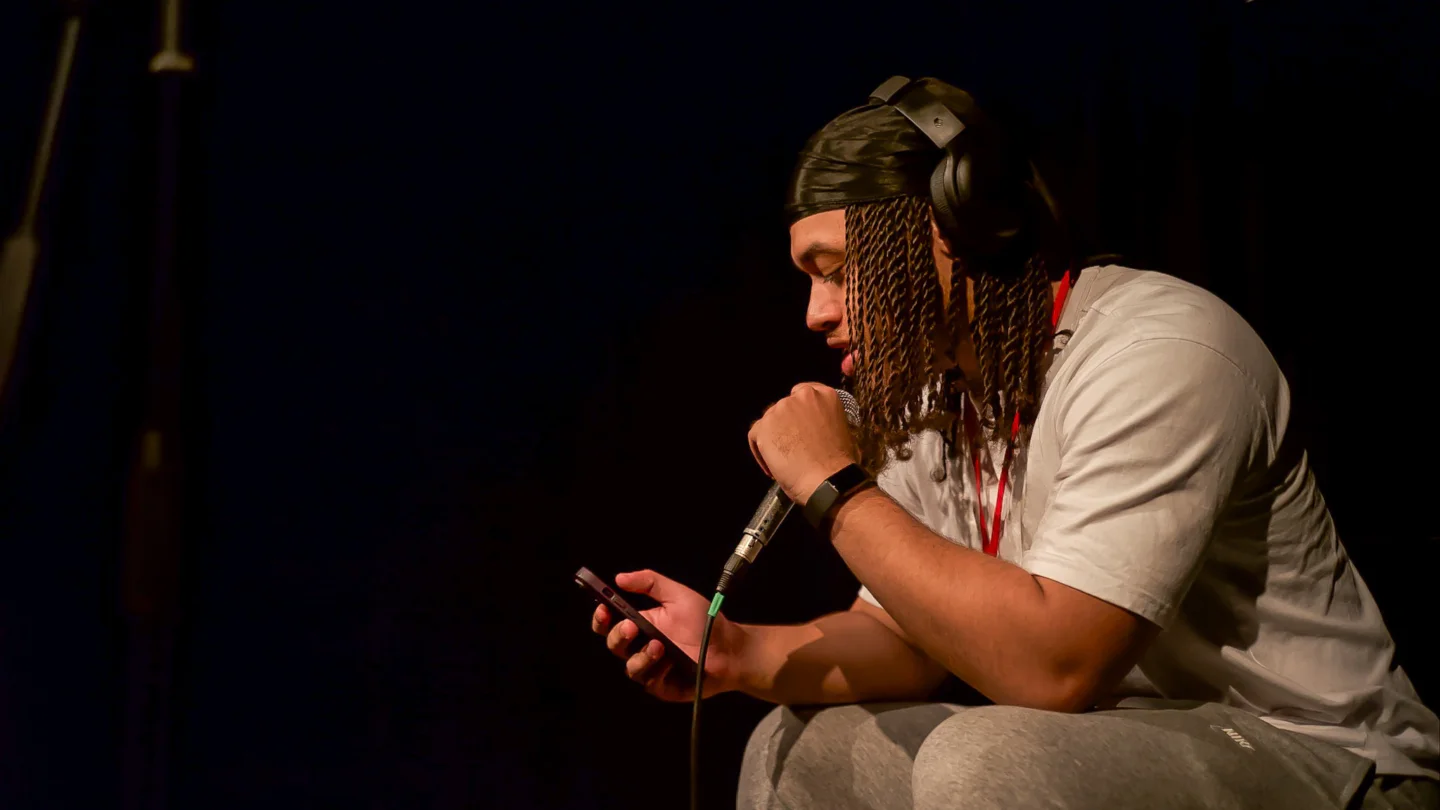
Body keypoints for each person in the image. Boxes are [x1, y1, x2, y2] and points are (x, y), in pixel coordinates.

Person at [586, 76, 1440, 809]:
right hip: (1132, 744)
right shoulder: (933, 391)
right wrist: (735, 654)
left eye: (838, 271)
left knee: (989, 758)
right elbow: (904, 639)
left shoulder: (1160, 353)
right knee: (796, 747)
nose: (814, 315)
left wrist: (835, 485)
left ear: (951, 229)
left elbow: (1056, 671)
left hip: (1334, 762)